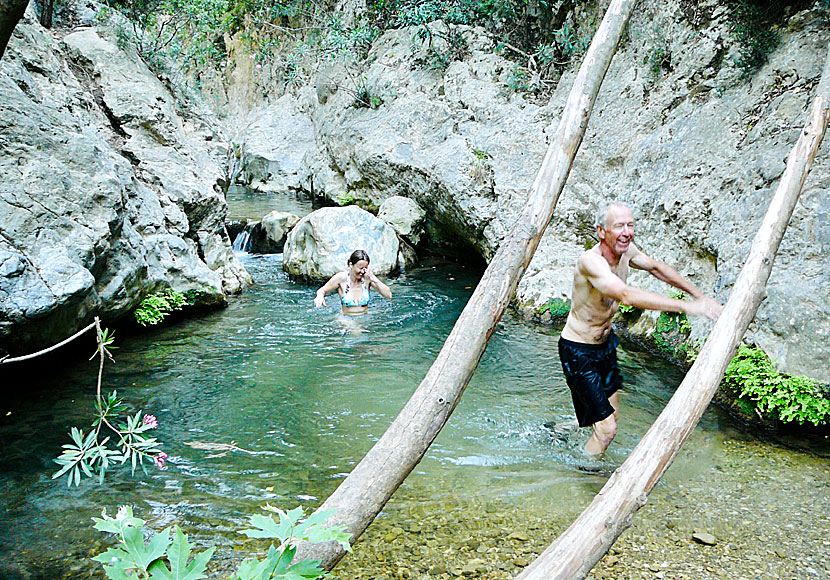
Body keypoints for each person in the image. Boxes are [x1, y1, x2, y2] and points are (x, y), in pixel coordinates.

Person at [558, 201, 722, 456]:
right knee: (607, 430)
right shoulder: (591, 262)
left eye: (630, 225)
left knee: (609, 420)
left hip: (604, 346)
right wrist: (687, 307)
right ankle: (583, 478)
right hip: (578, 351)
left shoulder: (627, 252)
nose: (626, 232)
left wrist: (700, 296)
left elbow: (657, 268)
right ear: (601, 231)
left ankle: (558, 431)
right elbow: (624, 294)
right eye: (619, 226)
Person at [314, 250, 392, 316]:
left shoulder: (367, 279)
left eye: (365, 268)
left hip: (364, 317)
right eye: (360, 268)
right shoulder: (341, 278)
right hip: (346, 318)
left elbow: (388, 295)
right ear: (351, 265)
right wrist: (320, 296)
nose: (362, 271)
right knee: (355, 331)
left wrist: (374, 278)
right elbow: (322, 290)